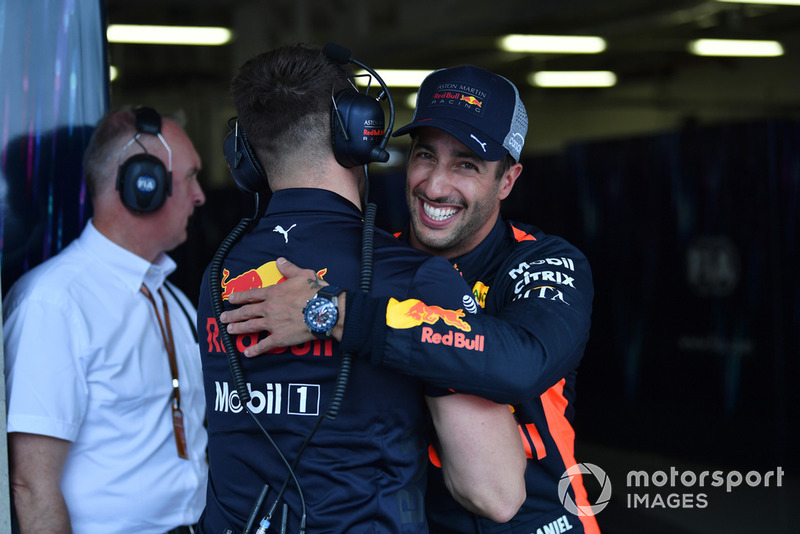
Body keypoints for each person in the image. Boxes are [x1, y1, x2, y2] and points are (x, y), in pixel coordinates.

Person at [221, 65, 601, 534]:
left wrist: (332, 313)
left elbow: (520, 362)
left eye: (466, 164)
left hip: (537, 523)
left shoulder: (544, 262)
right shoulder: (374, 264)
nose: (435, 185)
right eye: (425, 155)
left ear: (507, 180)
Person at [3, 106, 208, 534]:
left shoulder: (172, 299)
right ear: (143, 184)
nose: (200, 195)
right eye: (190, 177)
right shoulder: (54, 303)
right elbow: (32, 486)